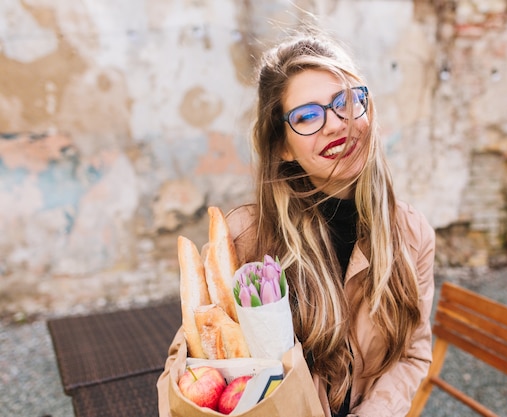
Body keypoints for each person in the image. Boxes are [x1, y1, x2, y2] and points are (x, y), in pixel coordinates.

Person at [158, 32, 435, 417]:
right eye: (307, 115)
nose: (337, 124)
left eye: (347, 101)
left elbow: (412, 354)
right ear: (283, 146)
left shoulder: (412, 232)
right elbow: (204, 362)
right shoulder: (247, 237)